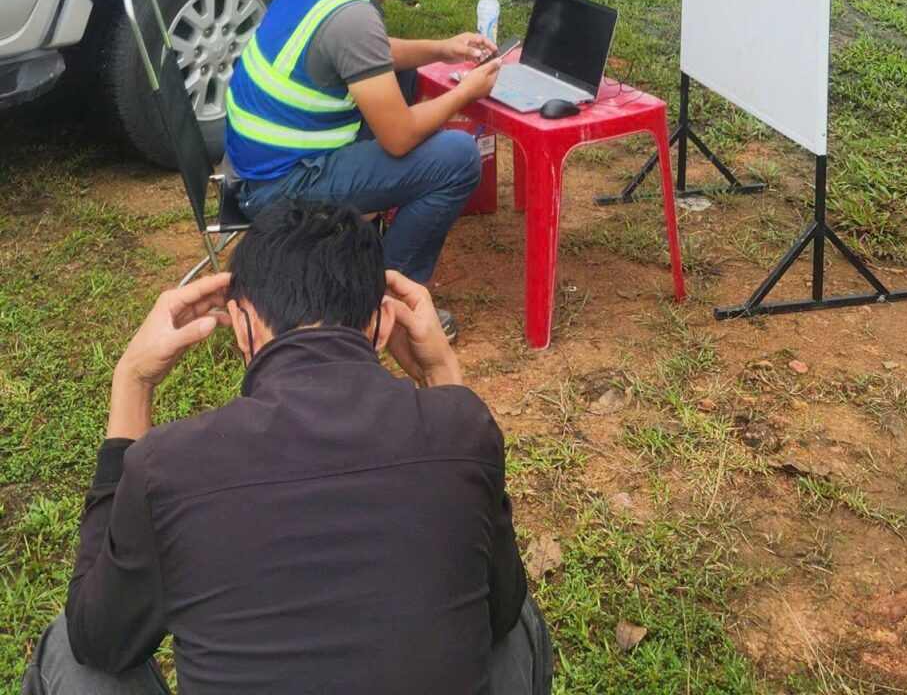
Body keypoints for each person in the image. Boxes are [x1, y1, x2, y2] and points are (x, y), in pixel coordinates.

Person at [23, 200, 554, 695]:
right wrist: (442, 378)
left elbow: (97, 638)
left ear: (243, 326)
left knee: (68, 649)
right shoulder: (463, 428)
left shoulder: (165, 466)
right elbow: (501, 610)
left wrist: (133, 382)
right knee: (516, 618)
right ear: (382, 322)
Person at [224, 0, 500, 333]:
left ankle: (365, 242)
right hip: (278, 188)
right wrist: (465, 92)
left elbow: (370, 54)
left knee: (404, 75)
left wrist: (443, 48)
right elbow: (400, 138)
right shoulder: (354, 18)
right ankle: (382, 298)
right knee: (458, 158)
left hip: (254, 168)